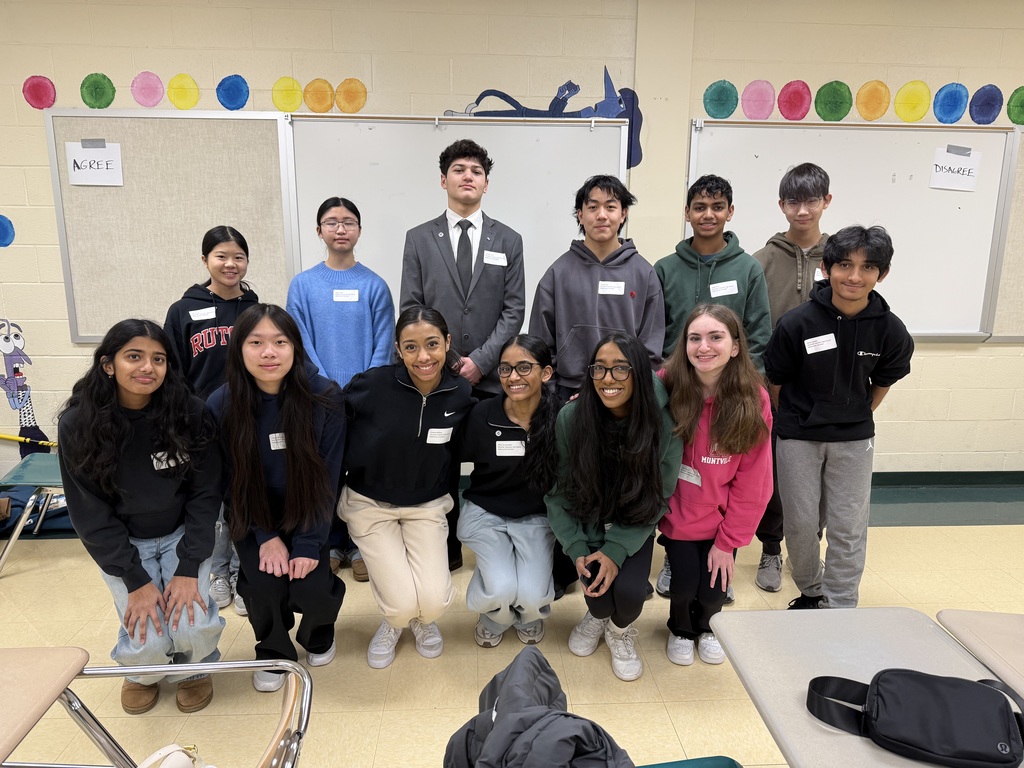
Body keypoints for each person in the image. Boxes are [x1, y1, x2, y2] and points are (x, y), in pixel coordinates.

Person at [57, 319, 224, 715]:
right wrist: (135, 580)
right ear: (108, 365)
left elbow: (206, 493)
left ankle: (194, 669)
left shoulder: (190, 413)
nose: (147, 367)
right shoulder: (78, 424)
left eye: (158, 358)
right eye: (134, 356)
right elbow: (89, 513)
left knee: (193, 626)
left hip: (184, 533)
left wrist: (188, 566)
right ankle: (143, 674)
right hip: (122, 543)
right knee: (147, 636)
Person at [764, 225, 914, 610]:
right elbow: (776, 382)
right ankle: (812, 591)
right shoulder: (796, 323)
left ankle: (841, 602)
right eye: (845, 265)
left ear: (883, 274)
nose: (854, 276)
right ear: (827, 268)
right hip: (798, 435)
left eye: (868, 268)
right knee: (800, 525)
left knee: (848, 526)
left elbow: (881, 383)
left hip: (853, 439)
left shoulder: (891, 331)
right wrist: (798, 420)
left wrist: (855, 416)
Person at [400, 138, 526, 569]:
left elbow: (514, 310)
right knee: (441, 461)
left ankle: (498, 541)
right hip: (438, 374)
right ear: (443, 180)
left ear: (486, 183)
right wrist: (452, 361)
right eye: (459, 169)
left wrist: (482, 361)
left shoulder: (508, 240)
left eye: (476, 170)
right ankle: (446, 550)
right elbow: (411, 309)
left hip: (493, 378)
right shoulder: (418, 239)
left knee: (497, 459)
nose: (467, 176)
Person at [207, 304, 346, 692]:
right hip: (252, 514)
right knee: (264, 587)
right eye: (256, 342)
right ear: (239, 349)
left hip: (310, 510)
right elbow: (227, 481)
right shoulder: (221, 404)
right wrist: (264, 536)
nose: (268, 352)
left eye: (279, 342)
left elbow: (329, 478)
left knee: (312, 586)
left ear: (295, 347)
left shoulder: (325, 397)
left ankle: (320, 635)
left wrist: (307, 544)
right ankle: (274, 651)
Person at [653, 174, 771, 600]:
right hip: (678, 391)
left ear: (730, 212)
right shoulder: (664, 268)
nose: (708, 214)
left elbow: (758, 333)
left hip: (729, 393)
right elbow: (653, 332)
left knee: (724, 475)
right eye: (699, 207)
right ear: (687, 213)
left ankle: (722, 557)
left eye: (717, 207)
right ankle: (676, 554)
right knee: (680, 473)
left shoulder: (748, 268)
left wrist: (735, 386)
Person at [338, 305, 475, 669]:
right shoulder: (371, 384)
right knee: (400, 605)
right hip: (370, 503)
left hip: (426, 504)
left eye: (432, 344)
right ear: (398, 349)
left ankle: (419, 621)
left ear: (447, 343)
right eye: (411, 347)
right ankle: (394, 622)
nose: (423, 356)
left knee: (434, 603)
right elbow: (332, 428)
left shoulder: (460, 392)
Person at [545, 334, 683, 682]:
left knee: (630, 596)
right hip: (588, 523)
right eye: (600, 369)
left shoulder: (664, 423)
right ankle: (597, 617)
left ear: (638, 372)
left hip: (633, 524)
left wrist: (617, 550)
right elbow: (558, 492)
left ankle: (619, 633)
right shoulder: (572, 418)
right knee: (599, 597)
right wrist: (576, 547)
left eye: (621, 369)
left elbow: (659, 494)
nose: (608, 379)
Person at [287, 196, 395, 584]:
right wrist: (326, 386)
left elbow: (385, 342)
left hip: (366, 399)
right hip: (317, 397)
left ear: (359, 231)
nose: (340, 229)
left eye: (348, 222)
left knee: (363, 473)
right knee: (324, 472)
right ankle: (331, 544)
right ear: (319, 232)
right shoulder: (303, 285)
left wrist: (364, 388)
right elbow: (298, 342)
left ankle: (361, 545)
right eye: (331, 222)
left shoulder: (375, 285)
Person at [658, 304, 773, 666]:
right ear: (684, 344)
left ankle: (708, 627)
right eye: (695, 338)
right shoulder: (667, 384)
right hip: (679, 515)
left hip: (722, 518)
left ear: (735, 346)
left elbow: (754, 482)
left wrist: (728, 542)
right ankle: (680, 629)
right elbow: (621, 395)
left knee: (713, 591)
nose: (704, 346)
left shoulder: (754, 399)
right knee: (683, 585)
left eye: (715, 337)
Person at [163, 226, 258, 615]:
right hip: (202, 424)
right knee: (214, 505)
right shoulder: (183, 311)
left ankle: (240, 572)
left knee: (245, 501)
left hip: (248, 420)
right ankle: (217, 572)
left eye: (238, 257)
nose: (230, 264)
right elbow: (173, 371)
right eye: (221, 256)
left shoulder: (253, 309)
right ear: (205, 260)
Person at [751, 163, 832, 593]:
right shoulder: (759, 261)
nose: (803, 210)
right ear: (781, 205)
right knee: (776, 475)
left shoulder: (842, 259)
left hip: (827, 391)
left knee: (822, 476)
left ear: (826, 202)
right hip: (772, 388)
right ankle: (770, 546)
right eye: (794, 201)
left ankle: (809, 546)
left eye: (812, 200)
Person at [457, 334, 559, 648]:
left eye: (523, 367)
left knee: (530, 597)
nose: (513, 377)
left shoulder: (560, 418)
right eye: (505, 369)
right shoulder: (482, 414)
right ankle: (494, 618)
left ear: (546, 373)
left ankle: (528, 617)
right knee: (500, 588)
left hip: (536, 516)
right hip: (486, 512)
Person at [529, 174, 665, 401]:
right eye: (593, 207)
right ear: (580, 215)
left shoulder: (644, 274)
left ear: (623, 214)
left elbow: (651, 348)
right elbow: (540, 344)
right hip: (567, 393)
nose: (602, 215)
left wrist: (634, 388)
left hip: (625, 392)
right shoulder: (557, 274)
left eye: (610, 207)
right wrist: (552, 393)